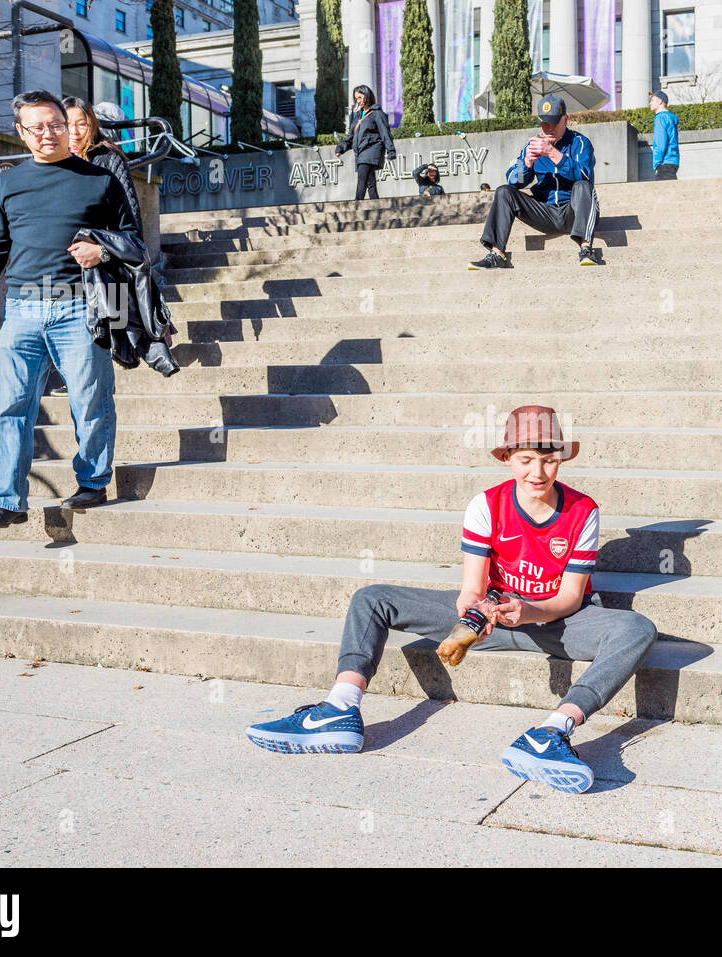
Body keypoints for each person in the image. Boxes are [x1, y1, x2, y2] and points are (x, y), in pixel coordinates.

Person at [245, 406, 658, 794]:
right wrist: (473, 618)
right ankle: (339, 708)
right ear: (508, 457)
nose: (538, 471)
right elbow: (472, 589)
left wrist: (529, 611)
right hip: (490, 620)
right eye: (526, 459)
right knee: (372, 598)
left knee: (636, 628)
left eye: (549, 459)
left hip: (555, 623)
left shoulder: (583, 510)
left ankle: (552, 732)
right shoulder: (487, 505)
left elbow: (570, 597)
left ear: (562, 460)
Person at [0, 90, 139, 528]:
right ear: (21, 133)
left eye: (56, 124)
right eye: (37, 127)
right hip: (21, 309)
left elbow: (133, 241)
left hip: (81, 307)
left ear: (70, 124)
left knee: (91, 397)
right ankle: (6, 499)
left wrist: (102, 251)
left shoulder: (100, 179)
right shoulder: (9, 183)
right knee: (11, 406)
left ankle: (93, 481)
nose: (49, 133)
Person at [63, 96, 178, 378]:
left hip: (106, 272)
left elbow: (133, 234)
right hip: (65, 276)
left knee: (102, 349)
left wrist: (101, 251)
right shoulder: (53, 164)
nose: (75, 131)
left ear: (93, 124)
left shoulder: (108, 160)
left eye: (82, 123)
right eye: (68, 124)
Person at [469, 95, 600, 270]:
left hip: (574, 212)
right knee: (503, 191)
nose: (548, 128)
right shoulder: (531, 145)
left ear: (566, 119)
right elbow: (513, 181)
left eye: (553, 122)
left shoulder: (580, 143)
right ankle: (496, 254)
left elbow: (584, 175)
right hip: (544, 212)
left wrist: (553, 154)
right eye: (544, 123)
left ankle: (586, 249)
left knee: (582, 186)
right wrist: (526, 165)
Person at [334, 85, 396, 201]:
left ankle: (356, 206)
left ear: (367, 96)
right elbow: (352, 137)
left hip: (372, 150)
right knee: (370, 184)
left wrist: (391, 150)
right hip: (361, 153)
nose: (358, 101)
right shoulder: (357, 116)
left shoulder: (377, 113)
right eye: (356, 98)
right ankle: (378, 208)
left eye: (360, 97)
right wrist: (341, 148)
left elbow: (385, 133)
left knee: (362, 181)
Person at [649, 89, 679, 180]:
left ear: (660, 102)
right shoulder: (669, 118)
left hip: (664, 163)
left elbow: (660, 142)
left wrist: (657, 163)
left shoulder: (660, 118)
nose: (650, 103)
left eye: (652, 100)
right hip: (673, 162)